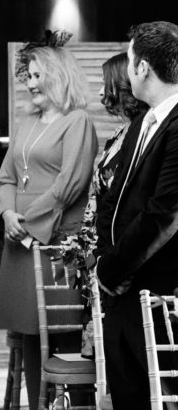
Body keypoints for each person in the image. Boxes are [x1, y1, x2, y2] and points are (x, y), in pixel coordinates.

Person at [0, 32, 98, 410]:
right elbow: (5, 177)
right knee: (32, 333)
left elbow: (70, 186)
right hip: (19, 241)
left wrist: (27, 219)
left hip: (56, 245)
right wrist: (6, 214)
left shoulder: (77, 121)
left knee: (64, 334)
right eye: (27, 77)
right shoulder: (25, 121)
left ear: (57, 76)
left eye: (37, 76)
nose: (30, 83)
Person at [96, 21, 178, 409]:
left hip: (157, 287)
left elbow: (163, 210)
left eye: (129, 61)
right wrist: (104, 261)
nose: (128, 70)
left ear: (142, 67)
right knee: (128, 395)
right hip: (121, 291)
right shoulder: (143, 121)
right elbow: (113, 199)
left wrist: (114, 269)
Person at [89, 52, 148, 215]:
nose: (101, 92)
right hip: (96, 235)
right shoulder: (116, 134)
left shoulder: (146, 133)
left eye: (106, 84)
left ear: (124, 83)